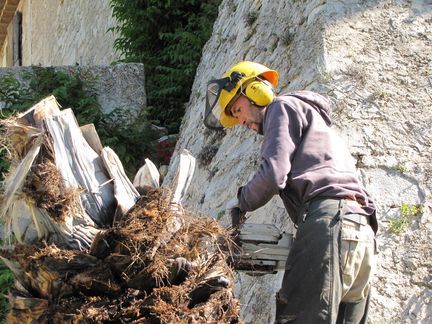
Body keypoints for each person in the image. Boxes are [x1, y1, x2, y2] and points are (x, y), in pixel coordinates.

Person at [204, 61, 378, 324]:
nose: (240, 120)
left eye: (238, 109)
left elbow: (274, 173)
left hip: (328, 221)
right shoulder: (317, 124)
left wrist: (241, 200)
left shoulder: (280, 107)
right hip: (361, 233)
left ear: (256, 92)